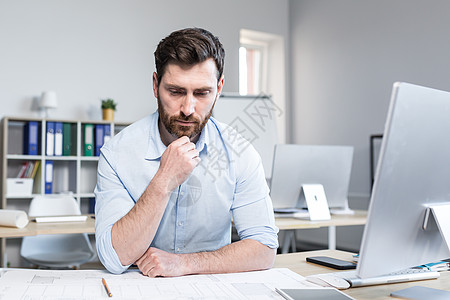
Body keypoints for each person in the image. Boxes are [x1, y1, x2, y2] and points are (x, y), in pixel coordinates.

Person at [94, 27, 279, 277]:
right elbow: (114, 258)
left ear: (220, 87)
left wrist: (184, 263)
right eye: (176, 91)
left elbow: (264, 248)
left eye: (202, 93)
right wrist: (163, 181)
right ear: (155, 84)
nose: (188, 108)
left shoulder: (241, 153)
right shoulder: (117, 153)